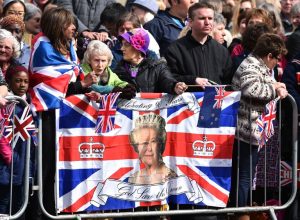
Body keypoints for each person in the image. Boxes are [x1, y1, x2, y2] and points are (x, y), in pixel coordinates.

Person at [29, 7, 100, 217]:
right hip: (46, 117)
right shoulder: (43, 46)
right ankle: (37, 213)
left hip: (65, 117)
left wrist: (87, 91)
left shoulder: (69, 47)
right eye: (69, 23)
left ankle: (54, 211)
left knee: (59, 167)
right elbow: (48, 86)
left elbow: (72, 80)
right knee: (46, 168)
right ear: (57, 26)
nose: (74, 27)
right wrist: (81, 85)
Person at [230, 33, 288, 220]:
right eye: (277, 59)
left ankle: (243, 211)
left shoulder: (257, 65)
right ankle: (240, 215)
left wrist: (276, 84)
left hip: (250, 130)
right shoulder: (252, 65)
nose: (277, 64)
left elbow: (263, 82)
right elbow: (251, 89)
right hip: (244, 130)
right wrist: (274, 90)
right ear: (269, 56)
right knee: (244, 177)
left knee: (246, 176)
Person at [164, 2, 233, 91]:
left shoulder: (222, 51)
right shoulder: (174, 49)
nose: (207, 22)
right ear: (190, 22)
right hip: (186, 103)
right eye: (202, 18)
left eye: (210, 18)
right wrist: (193, 80)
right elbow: (167, 79)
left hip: (215, 103)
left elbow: (228, 83)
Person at [114, 28, 187, 94]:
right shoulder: (119, 70)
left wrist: (175, 86)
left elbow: (167, 81)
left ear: (138, 48)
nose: (122, 48)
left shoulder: (157, 67)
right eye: (122, 44)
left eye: (126, 45)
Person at [129, 113, 177, 185]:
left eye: (153, 141)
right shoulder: (134, 178)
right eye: (144, 143)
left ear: (161, 144)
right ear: (136, 147)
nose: (149, 148)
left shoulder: (171, 178)